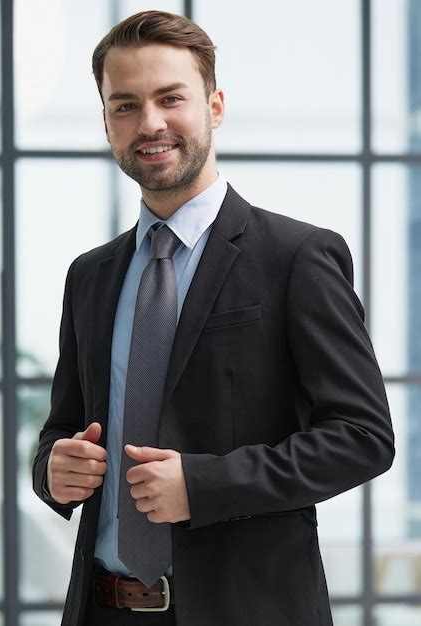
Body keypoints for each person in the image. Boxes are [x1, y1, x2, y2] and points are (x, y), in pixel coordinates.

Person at [32, 9, 395, 626]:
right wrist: (52, 470)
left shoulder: (298, 257)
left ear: (215, 105)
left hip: (245, 609)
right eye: (125, 106)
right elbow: (63, 428)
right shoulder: (89, 276)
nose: (150, 123)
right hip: (102, 609)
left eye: (170, 98)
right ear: (106, 121)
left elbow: (362, 439)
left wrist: (204, 485)